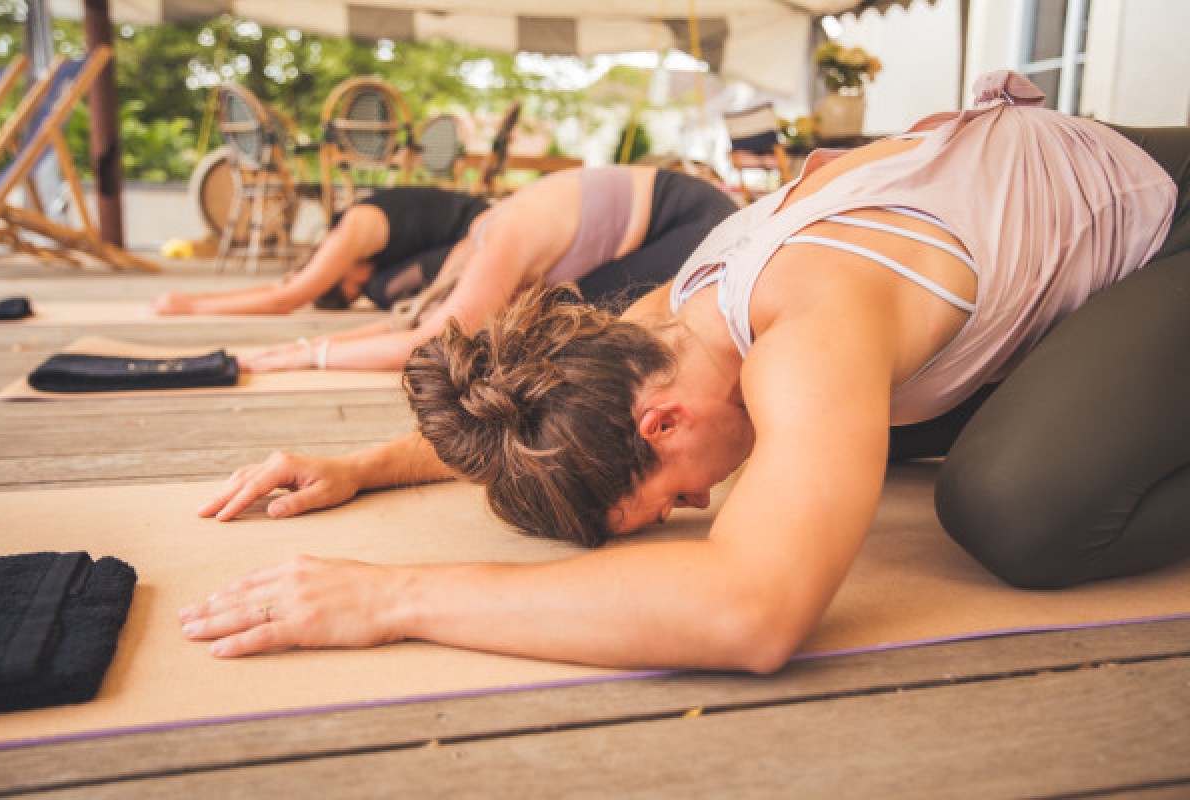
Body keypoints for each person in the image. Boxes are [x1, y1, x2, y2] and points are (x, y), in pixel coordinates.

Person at [179, 72, 1188, 673]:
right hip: (1050, 243)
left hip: (1165, 213)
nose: (705, 499)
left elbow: (753, 611)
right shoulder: (671, 321)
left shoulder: (808, 326)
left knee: (1016, 505)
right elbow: (541, 414)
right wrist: (365, 465)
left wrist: (389, 597)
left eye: (668, 502)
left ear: (661, 424)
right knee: (906, 444)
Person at [186, 165, 739, 373]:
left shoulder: (500, 239)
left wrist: (306, 356)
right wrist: (317, 342)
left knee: (566, 331)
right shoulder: (479, 242)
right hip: (663, 216)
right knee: (527, 326)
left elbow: (432, 336)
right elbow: (414, 321)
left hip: (695, 218)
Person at [150, 186, 490, 316]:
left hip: (486, 230)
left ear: (332, 272)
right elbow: (287, 285)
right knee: (382, 291)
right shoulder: (353, 242)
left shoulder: (349, 235)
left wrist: (193, 306)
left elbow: (286, 298)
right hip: (466, 237)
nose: (360, 292)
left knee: (382, 290)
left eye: (350, 288)